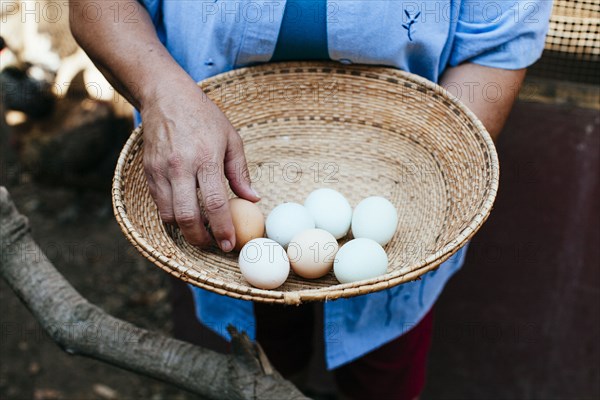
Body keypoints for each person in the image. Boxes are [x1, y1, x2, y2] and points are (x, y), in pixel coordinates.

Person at [71, 1, 552, 398]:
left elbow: (498, 39)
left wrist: (427, 162)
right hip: (211, 183)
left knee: (383, 365)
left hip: (399, 198)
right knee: (258, 359)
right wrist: (164, 94)